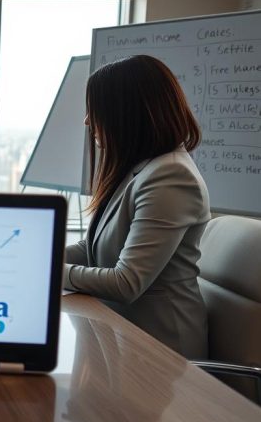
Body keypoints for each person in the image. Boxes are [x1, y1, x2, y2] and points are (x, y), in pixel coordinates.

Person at [63, 54, 210, 359]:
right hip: (122, 335)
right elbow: (94, 248)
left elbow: (126, 282)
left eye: (95, 110)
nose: (87, 121)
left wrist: (47, 272)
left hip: (161, 350)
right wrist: (37, 256)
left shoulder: (171, 176)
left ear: (125, 113)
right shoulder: (141, 169)